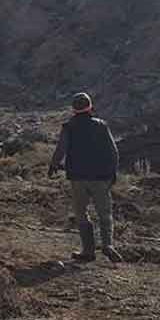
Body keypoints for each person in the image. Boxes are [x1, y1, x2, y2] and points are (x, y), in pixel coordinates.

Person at [49, 92, 122, 263]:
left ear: (74, 109)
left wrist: (53, 165)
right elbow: (113, 152)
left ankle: (88, 251)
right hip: (100, 177)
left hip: (77, 177)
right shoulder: (102, 125)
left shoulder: (68, 127)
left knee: (81, 214)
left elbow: (61, 149)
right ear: (90, 107)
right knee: (105, 213)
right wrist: (112, 173)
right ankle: (108, 245)